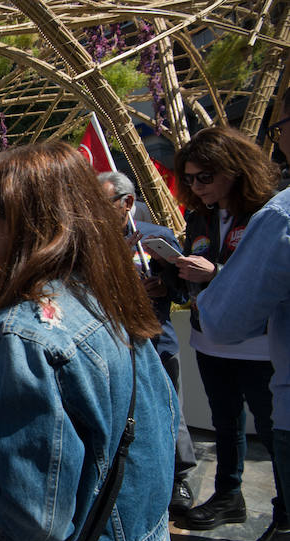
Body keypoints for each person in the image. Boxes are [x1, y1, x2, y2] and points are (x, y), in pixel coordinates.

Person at [0, 142, 178, 541]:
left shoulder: (17, 333)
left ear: (13, 221)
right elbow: (162, 420)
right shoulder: (104, 287)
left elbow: (35, 517)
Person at [167, 126, 286, 541]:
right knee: (225, 424)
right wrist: (170, 275)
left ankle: (286, 516)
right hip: (208, 339)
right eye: (191, 179)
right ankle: (228, 496)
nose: (197, 187)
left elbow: (264, 279)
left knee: (278, 435)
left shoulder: (267, 214)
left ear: (234, 172)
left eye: (205, 177)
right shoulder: (199, 216)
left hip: (260, 345)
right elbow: (189, 275)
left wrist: (216, 272)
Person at [98, 170, 197, 515]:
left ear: (127, 203)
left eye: (103, 202)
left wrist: (163, 286)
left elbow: (182, 290)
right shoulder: (96, 246)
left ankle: (179, 477)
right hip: (115, 345)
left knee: (170, 408)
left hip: (157, 341)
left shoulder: (157, 237)